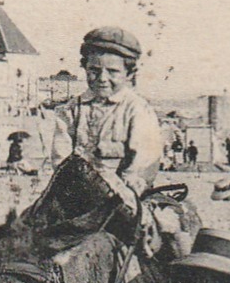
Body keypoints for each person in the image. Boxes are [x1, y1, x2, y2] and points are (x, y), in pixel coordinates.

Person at [44, 26, 163, 222]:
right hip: (75, 196)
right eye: (94, 70)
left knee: (157, 232)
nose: (102, 79)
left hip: (122, 198)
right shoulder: (70, 110)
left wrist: (125, 189)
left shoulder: (138, 110)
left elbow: (142, 163)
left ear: (130, 73)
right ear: (85, 68)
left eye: (113, 72)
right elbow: (60, 159)